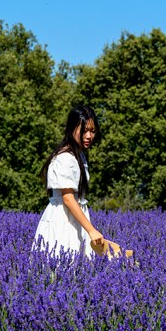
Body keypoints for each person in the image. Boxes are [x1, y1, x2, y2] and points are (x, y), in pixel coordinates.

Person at [32, 105, 105, 257]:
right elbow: (68, 198)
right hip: (63, 220)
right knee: (64, 262)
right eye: (84, 130)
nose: (89, 136)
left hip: (74, 217)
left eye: (92, 131)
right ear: (72, 128)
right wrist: (91, 230)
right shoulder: (65, 157)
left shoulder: (79, 155)